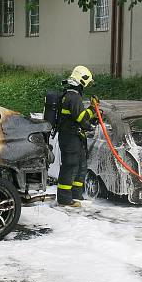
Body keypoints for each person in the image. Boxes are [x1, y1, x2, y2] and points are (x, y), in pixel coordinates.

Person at [56, 65, 97, 207]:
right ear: (82, 79)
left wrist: (89, 123)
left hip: (74, 136)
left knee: (80, 165)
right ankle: (64, 199)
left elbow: (78, 118)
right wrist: (92, 109)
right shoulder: (73, 96)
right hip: (69, 137)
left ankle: (76, 195)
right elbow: (80, 117)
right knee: (70, 166)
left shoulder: (71, 94)